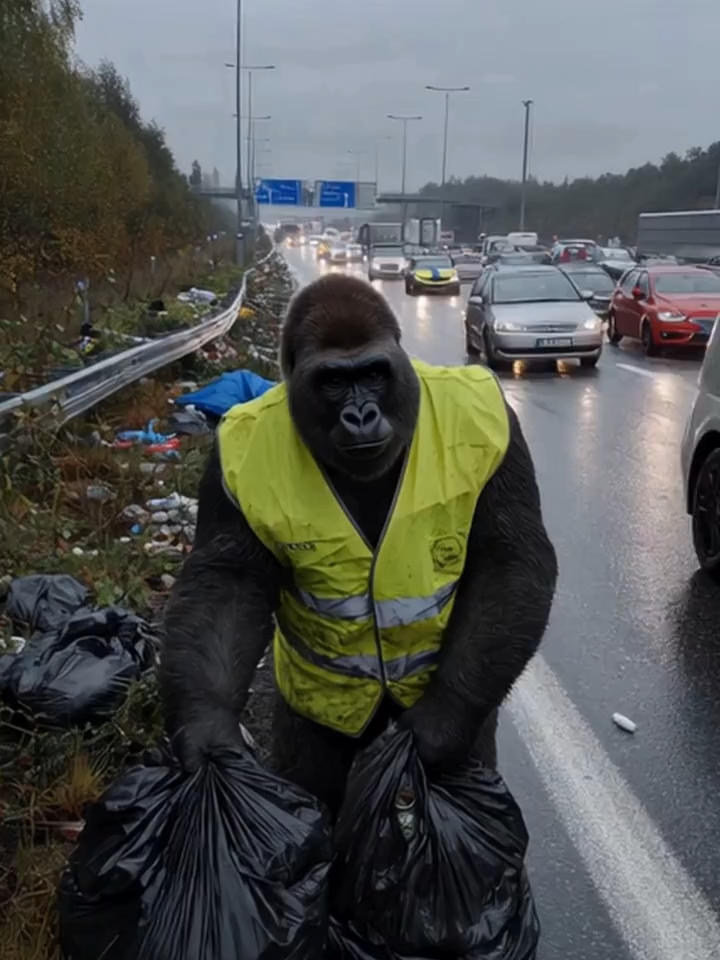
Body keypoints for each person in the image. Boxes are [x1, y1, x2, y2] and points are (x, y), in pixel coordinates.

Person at [159, 274, 558, 817]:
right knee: (313, 855)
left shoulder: (477, 416)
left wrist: (455, 707)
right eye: (333, 384)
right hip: (318, 719)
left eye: (373, 376)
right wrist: (204, 711)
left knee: (454, 858)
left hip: (447, 698)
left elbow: (514, 568)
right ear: (292, 378)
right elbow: (226, 587)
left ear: (402, 359)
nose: (360, 412)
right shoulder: (247, 447)